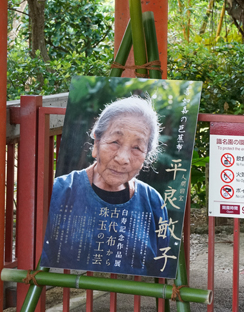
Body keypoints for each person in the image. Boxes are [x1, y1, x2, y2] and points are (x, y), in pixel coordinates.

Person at [41, 96, 173, 277]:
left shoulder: (153, 201)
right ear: (96, 143)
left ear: (146, 157)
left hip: (133, 302)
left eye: (137, 148)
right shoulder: (60, 191)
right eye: (115, 142)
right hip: (69, 301)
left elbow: (161, 266)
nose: (123, 158)